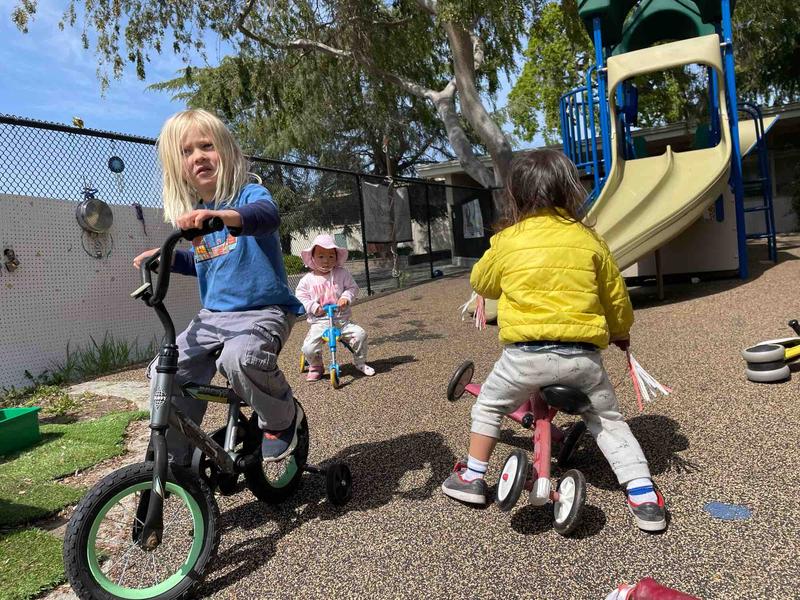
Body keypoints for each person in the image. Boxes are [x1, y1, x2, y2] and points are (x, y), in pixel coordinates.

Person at [441, 148, 666, 532]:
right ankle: (643, 495)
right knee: (609, 421)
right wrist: (620, 333)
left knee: (490, 405)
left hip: (524, 357)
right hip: (582, 359)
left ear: (516, 194)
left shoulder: (509, 239)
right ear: (571, 191)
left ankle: (473, 476)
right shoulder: (590, 241)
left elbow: (483, 282)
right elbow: (615, 298)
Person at [132, 108, 305, 465]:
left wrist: (223, 218)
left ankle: (281, 419)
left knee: (239, 358)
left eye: (206, 146)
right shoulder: (199, 214)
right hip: (212, 318)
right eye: (186, 152)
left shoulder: (248, 196)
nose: (198, 156)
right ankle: (176, 458)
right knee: (166, 371)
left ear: (226, 151)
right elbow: (204, 262)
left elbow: (266, 217)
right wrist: (166, 258)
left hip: (262, 312)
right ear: (177, 167)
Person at [295, 234, 375, 380]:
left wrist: (345, 297)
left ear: (336, 258)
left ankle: (360, 362)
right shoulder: (307, 280)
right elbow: (301, 295)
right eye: (321, 256)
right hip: (320, 322)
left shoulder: (342, 274)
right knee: (309, 348)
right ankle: (316, 365)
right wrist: (313, 306)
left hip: (341, 321)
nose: (326, 260)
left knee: (360, 334)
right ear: (312, 257)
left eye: (331, 256)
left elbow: (352, 288)